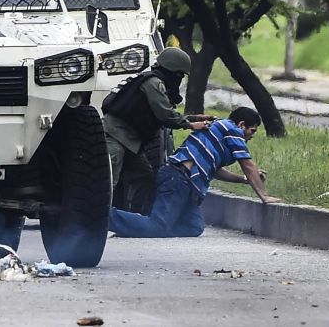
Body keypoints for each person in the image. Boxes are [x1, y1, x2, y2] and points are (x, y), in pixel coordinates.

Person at [109, 106, 281, 238]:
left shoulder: (220, 134)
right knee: (159, 226)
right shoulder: (231, 129)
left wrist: (244, 180)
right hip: (176, 178)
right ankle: (104, 216)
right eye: (252, 130)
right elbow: (248, 165)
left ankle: (138, 227)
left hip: (188, 185)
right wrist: (263, 196)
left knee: (194, 226)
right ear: (241, 125)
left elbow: (216, 170)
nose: (252, 136)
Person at [101, 46, 213, 214]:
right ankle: (92, 225)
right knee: (108, 183)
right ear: (173, 70)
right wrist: (191, 125)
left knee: (145, 177)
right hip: (115, 136)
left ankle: (135, 219)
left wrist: (196, 118)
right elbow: (165, 115)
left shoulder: (151, 81)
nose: (180, 79)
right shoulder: (153, 83)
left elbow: (164, 113)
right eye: (180, 75)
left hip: (130, 141)